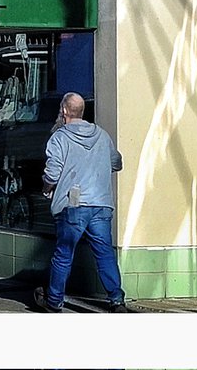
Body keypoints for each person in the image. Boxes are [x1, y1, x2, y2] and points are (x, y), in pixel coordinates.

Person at [33, 91, 129, 313]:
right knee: (104, 253)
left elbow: (52, 174)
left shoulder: (59, 138)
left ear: (65, 111)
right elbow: (117, 162)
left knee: (64, 253)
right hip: (101, 203)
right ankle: (116, 300)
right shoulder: (103, 136)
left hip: (73, 204)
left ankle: (54, 301)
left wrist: (46, 188)